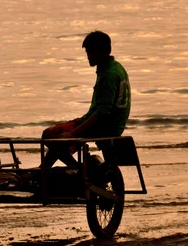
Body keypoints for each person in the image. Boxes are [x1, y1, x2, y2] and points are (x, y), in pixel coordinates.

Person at [41, 30, 131, 168]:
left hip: (104, 126)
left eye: (90, 52)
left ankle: (77, 169)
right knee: (58, 135)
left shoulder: (108, 75)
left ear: (100, 52)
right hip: (113, 124)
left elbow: (102, 112)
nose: (88, 57)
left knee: (49, 135)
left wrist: (72, 133)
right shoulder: (116, 67)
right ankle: (43, 170)